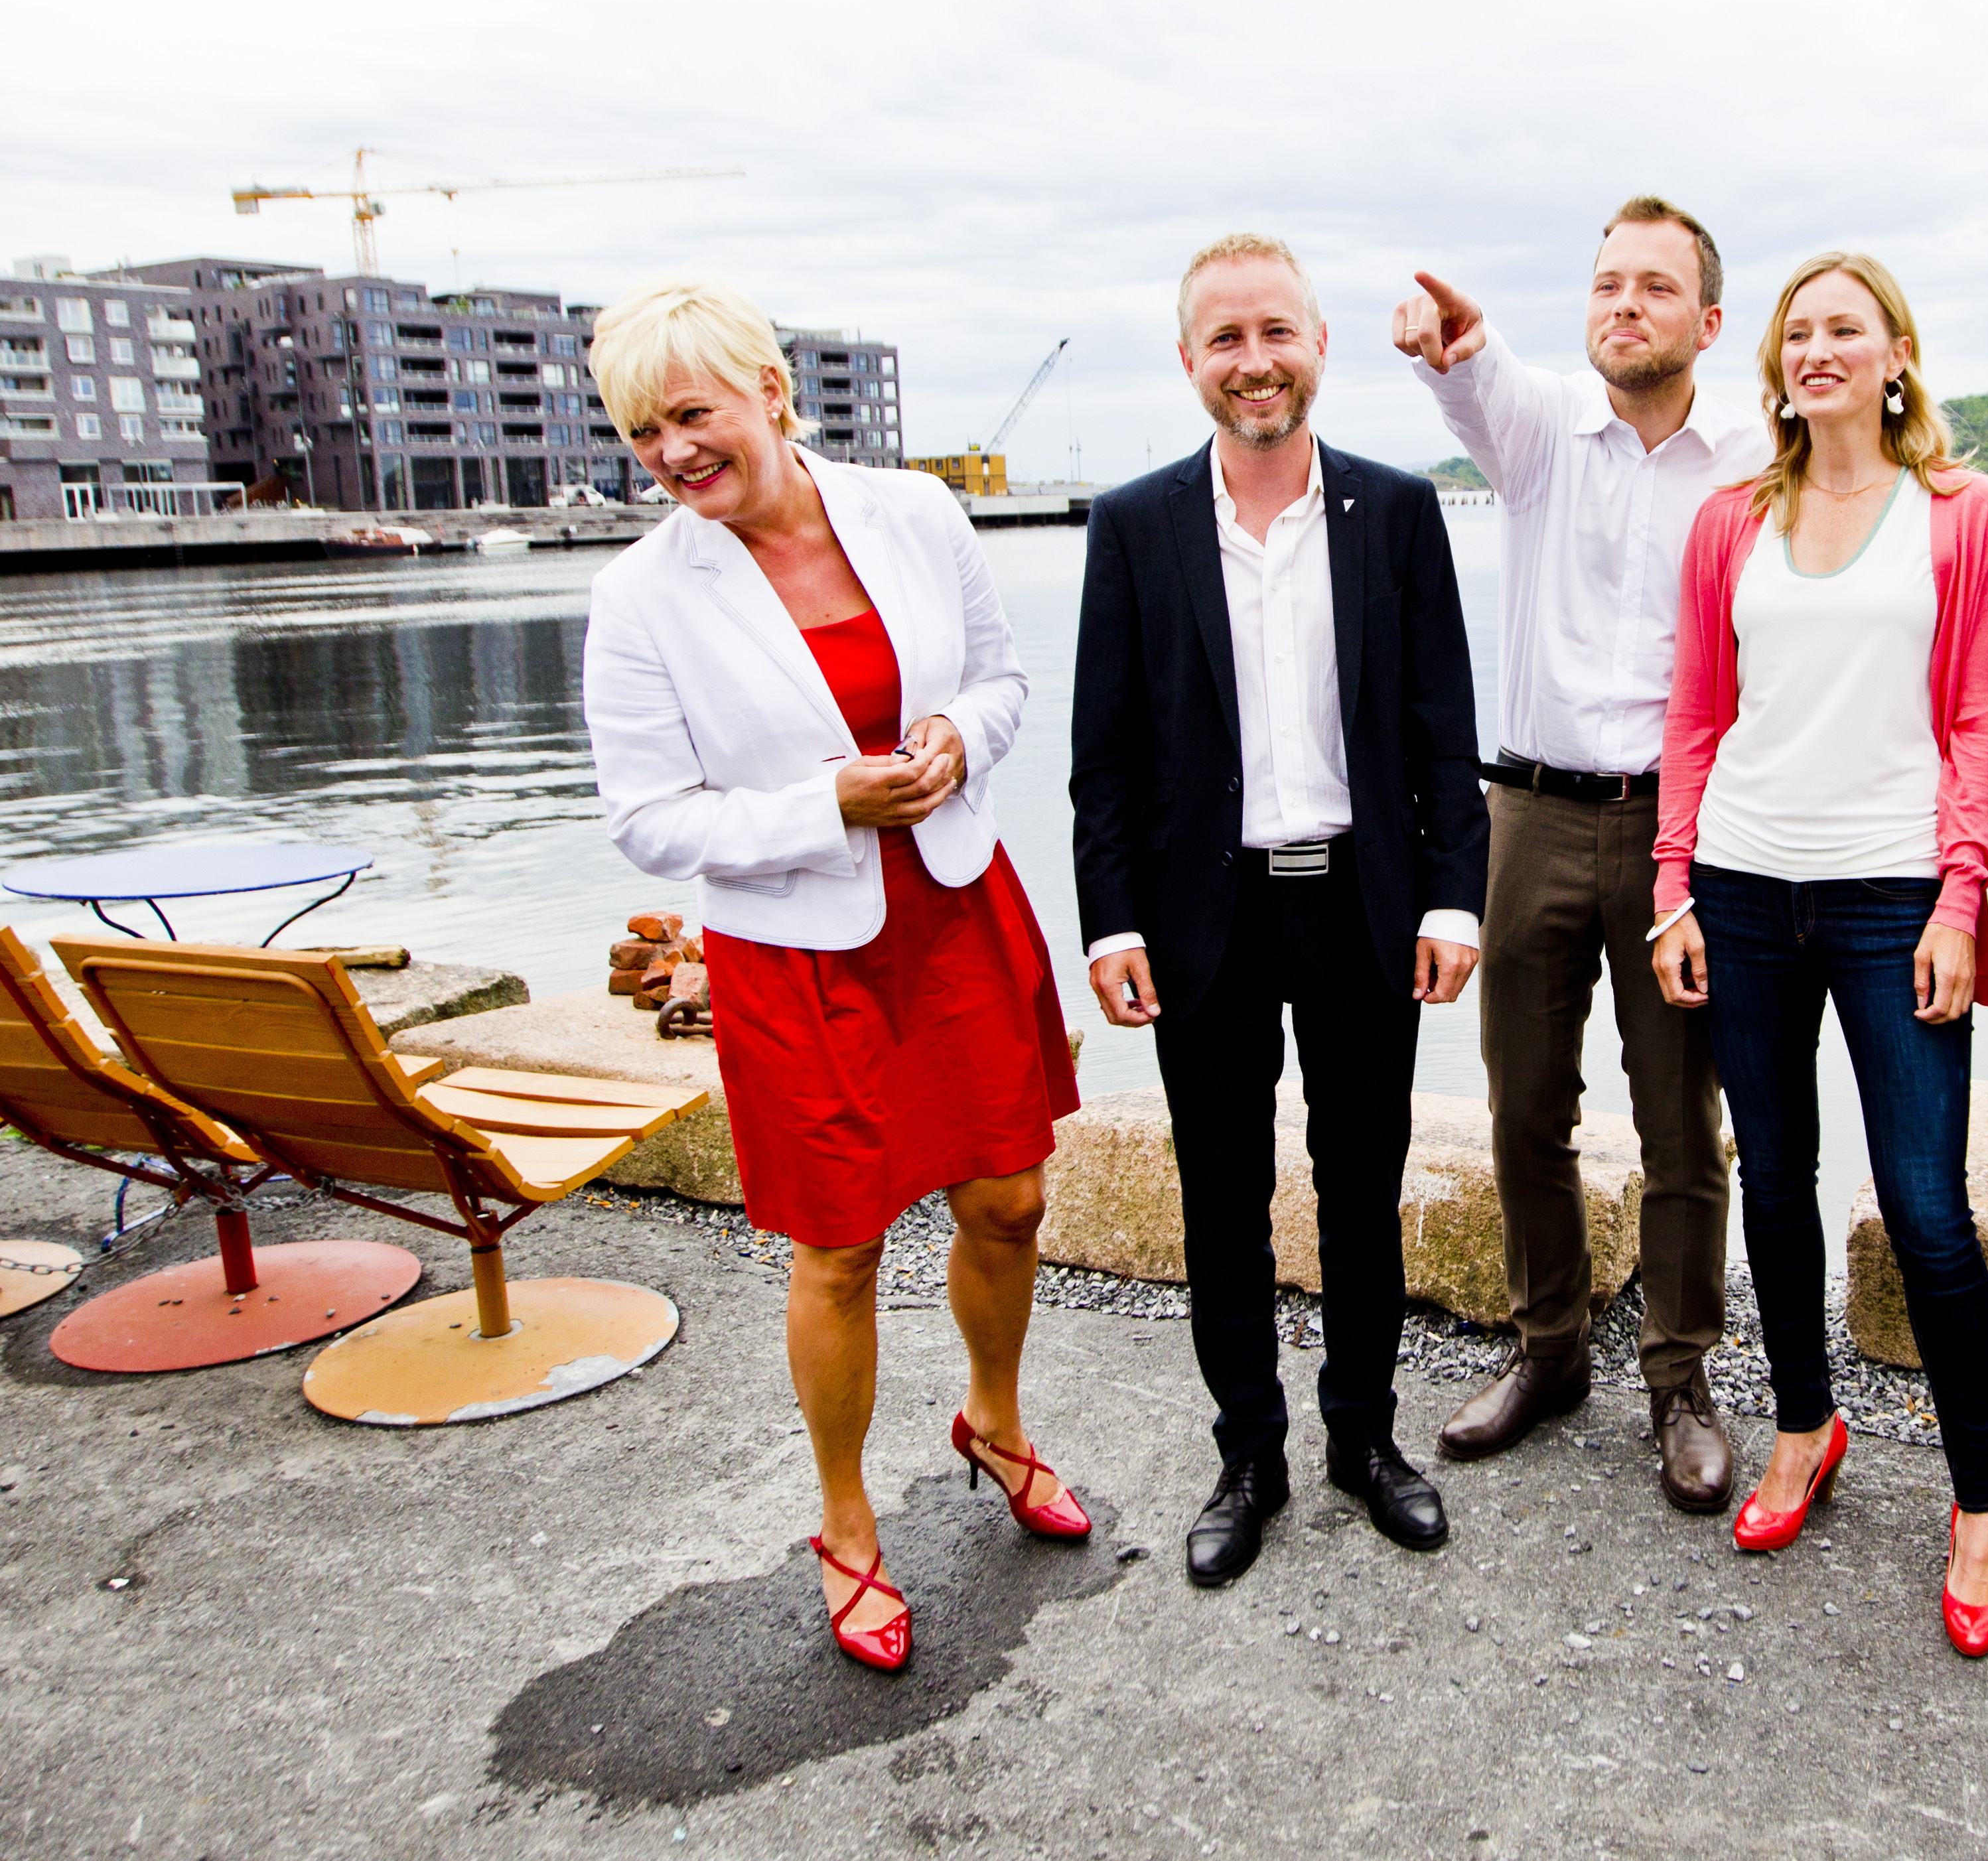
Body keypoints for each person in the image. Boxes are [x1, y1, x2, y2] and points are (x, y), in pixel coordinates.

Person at [582, 278, 1086, 1675]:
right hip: (799, 953)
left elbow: (999, 681)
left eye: (692, 414)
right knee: (843, 1243)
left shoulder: (916, 511)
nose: (672, 452)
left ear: (771, 397)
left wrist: (949, 740)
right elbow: (648, 817)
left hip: (955, 907)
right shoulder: (638, 596)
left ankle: (994, 1420)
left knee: (1011, 1194)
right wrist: (828, 807)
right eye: (641, 432)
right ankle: (849, 1520)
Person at [1071, 233, 1490, 1589]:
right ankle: (1247, 1452)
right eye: (1225, 338)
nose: (1254, 361)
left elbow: (1442, 724)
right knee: (1222, 1200)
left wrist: (1453, 894)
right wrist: (1111, 920)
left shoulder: (1396, 510)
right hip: (1207, 919)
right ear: (1191, 359)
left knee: (1363, 1191)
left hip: (1362, 906)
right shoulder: (1134, 525)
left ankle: (1363, 1439)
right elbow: (1108, 750)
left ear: (1319, 343)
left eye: (1276, 332)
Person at [1649, 252, 1988, 1659]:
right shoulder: (1732, 517)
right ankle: (1805, 1423)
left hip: (1892, 898)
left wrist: (1957, 903)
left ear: (1895, 356)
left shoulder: (1961, 514)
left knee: (1928, 1206)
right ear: (1779, 364)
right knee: (1779, 1180)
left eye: (1843, 331)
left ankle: (1979, 1500)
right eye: (1799, 334)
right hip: (1745, 886)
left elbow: (1979, 719)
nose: (1818, 352)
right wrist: (1675, 886)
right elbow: (1696, 712)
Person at [1391, 196, 1770, 1511]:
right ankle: (1549, 1350)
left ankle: (1681, 1379)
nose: (1624, 306)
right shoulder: (1545, 424)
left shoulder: (1752, 459)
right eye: (1608, 283)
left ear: (1709, 321)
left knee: (1682, 1120)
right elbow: (1476, 376)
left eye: (1655, 288)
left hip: (1685, 826)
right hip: (1534, 813)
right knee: (1522, 1104)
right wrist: (1453, 343)